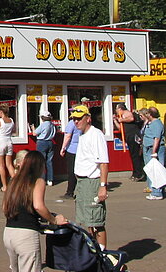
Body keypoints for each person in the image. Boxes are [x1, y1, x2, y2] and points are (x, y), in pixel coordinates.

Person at [2, 150, 68, 272]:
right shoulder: (38, 181)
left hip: (9, 232)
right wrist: (53, 220)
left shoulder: (14, 180)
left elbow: (4, 206)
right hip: (26, 234)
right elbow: (38, 206)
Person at [70, 104, 109, 249]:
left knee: (96, 221)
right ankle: (93, 250)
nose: (76, 121)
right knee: (87, 220)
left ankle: (102, 253)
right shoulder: (82, 135)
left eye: (79, 118)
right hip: (81, 182)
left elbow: (104, 162)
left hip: (92, 181)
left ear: (88, 118)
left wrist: (102, 187)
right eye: (74, 119)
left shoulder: (96, 134)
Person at [113, 104, 144, 181]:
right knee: (133, 155)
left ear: (120, 109)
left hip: (134, 136)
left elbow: (131, 118)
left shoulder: (126, 112)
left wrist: (122, 120)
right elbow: (120, 128)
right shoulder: (121, 116)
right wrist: (115, 120)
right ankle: (136, 172)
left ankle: (139, 173)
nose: (116, 111)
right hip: (129, 137)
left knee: (136, 155)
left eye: (116, 109)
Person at [142, 107, 166, 201]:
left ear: (150, 114)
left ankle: (157, 193)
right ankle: (158, 191)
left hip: (155, 149)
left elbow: (157, 138)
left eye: (147, 113)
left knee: (156, 171)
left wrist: (154, 152)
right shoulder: (151, 123)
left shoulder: (157, 124)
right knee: (152, 170)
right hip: (149, 148)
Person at [31, 109, 56, 186]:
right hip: (50, 142)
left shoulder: (43, 125)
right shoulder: (52, 125)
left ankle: (41, 178)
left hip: (42, 142)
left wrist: (33, 128)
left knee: (41, 161)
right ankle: (50, 179)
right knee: (49, 162)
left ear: (42, 118)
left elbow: (34, 134)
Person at [59, 115, 81, 198]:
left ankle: (69, 192)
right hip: (81, 149)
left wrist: (63, 148)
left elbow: (67, 136)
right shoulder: (84, 123)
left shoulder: (71, 124)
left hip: (72, 150)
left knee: (71, 172)